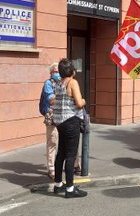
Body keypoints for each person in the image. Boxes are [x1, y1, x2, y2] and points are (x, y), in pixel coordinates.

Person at [51, 58, 87, 198]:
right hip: (71, 121)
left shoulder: (58, 83)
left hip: (60, 122)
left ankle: (58, 184)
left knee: (61, 153)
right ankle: (70, 189)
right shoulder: (72, 82)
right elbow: (78, 103)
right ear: (71, 70)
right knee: (71, 155)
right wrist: (84, 100)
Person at [41, 63, 61, 180]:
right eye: (55, 71)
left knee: (65, 141)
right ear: (51, 73)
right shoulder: (48, 83)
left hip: (64, 116)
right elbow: (51, 100)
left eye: (59, 71)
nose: (57, 73)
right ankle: (51, 168)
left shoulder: (65, 82)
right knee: (52, 141)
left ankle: (74, 165)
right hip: (52, 117)